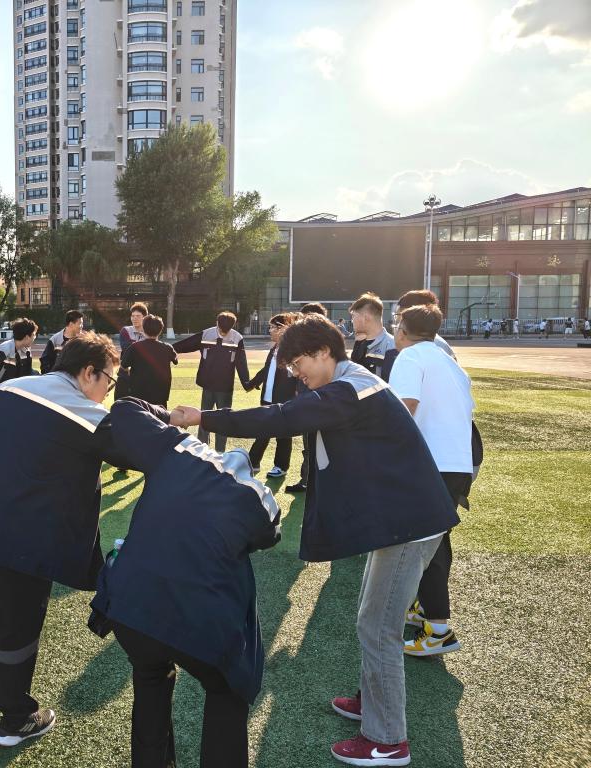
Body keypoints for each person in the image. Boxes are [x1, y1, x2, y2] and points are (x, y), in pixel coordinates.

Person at [172, 315, 459, 767]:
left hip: (410, 523)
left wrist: (202, 416)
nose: (294, 373)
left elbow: (282, 417)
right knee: (372, 620)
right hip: (404, 519)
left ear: (324, 352)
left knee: (378, 628)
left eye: (297, 363)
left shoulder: (347, 390)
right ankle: (376, 703)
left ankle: (387, 740)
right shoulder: (349, 383)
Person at [0, 333, 136, 747]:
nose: (108, 393)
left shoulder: (7, 389)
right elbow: (141, 451)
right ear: (89, 372)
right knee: (17, 626)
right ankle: (15, 718)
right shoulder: (88, 414)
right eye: (109, 382)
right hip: (25, 538)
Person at [88, 398, 282, 768]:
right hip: (201, 618)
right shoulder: (256, 493)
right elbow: (269, 537)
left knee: (150, 676)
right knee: (226, 691)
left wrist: (171, 417)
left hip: (131, 606)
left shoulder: (178, 446)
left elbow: (125, 407)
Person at [390, 304, 474, 658]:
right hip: (457, 463)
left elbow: (403, 410)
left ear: (402, 329)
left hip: (431, 464)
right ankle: (427, 610)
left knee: (428, 545)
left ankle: (439, 630)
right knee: (437, 542)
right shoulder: (450, 362)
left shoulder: (410, 358)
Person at [172, 311, 252, 452]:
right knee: (203, 417)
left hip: (225, 388)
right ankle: (202, 449)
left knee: (224, 420)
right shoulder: (206, 334)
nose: (223, 332)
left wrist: (246, 383)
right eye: (221, 329)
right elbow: (186, 344)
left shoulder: (237, 338)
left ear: (233, 326)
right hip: (207, 385)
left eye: (227, 330)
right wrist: (168, 350)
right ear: (217, 323)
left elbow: (241, 362)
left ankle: (220, 451)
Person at [246, 312, 299, 478]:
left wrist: (296, 393)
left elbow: (298, 374)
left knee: (283, 434)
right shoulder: (275, 348)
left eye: (272, 327)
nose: (270, 330)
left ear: (283, 328)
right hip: (268, 397)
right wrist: (252, 383)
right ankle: (253, 462)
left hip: (284, 399)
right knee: (263, 430)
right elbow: (267, 369)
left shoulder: (293, 349)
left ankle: (281, 466)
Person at [285, 303, 328, 494]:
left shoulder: (324, 345)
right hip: (307, 398)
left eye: (303, 318)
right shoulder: (305, 341)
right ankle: (307, 480)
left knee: (318, 446)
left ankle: (313, 482)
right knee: (308, 445)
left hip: (318, 402)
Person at [120, 314, 178, 407]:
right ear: (160, 330)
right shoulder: (167, 347)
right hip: (161, 393)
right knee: (160, 415)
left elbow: (123, 366)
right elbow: (175, 361)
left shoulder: (135, 347)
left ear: (143, 328)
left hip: (138, 393)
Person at [349, 292, 396, 380]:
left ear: (366, 318)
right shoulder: (360, 344)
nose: (352, 320)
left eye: (353, 316)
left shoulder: (392, 347)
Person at [117, 302, 150, 399]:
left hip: (143, 373)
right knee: (121, 400)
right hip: (125, 372)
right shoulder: (125, 330)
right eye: (133, 316)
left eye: (138, 316)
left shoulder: (150, 332)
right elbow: (126, 349)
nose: (134, 318)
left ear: (144, 317)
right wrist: (146, 341)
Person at [40, 309, 84, 374]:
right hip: (57, 378)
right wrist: (50, 375)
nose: (82, 326)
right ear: (71, 324)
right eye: (80, 323)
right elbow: (45, 362)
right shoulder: (54, 339)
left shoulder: (83, 340)